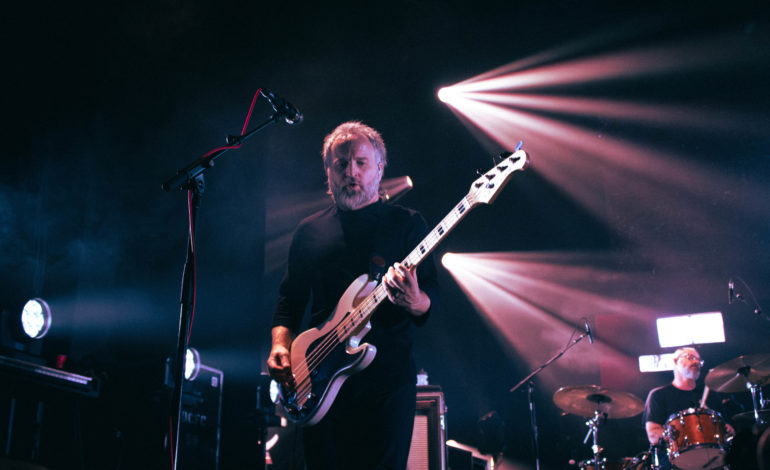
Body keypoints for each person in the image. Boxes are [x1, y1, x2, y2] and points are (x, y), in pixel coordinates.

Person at [267, 121, 439, 470]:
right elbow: (289, 304)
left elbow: (429, 299)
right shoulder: (309, 231)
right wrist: (280, 346)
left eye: (361, 162)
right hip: (319, 382)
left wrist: (416, 301)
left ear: (380, 168)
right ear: (328, 171)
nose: (351, 172)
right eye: (341, 163)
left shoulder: (407, 224)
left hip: (387, 386)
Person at [643, 347, 733, 469]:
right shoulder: (659, 395)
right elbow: (653, 434)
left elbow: (726, 426)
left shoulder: (711, 394)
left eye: (699, 360)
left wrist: (727, 429)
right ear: (675, 362)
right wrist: (674, 434)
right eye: (690, 357)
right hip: (674, 463)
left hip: (713, 461)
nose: (696, 362)